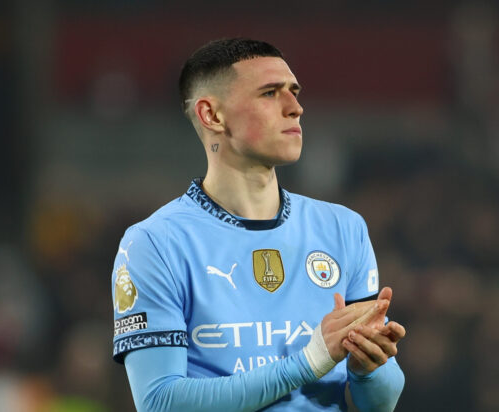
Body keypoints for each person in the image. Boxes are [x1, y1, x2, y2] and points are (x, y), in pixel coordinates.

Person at [111, 38, 406, 411]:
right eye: (270, 93)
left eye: (295, 92)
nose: (295, 108)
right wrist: (309, 361)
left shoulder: (343, 229)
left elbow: (380, 404)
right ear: (212, 116)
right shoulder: (154, 244)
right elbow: (161, 402)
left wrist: (368, 369)